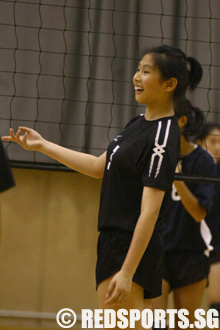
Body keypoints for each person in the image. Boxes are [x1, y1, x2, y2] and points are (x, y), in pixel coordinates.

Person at [2, 45, 203, 329]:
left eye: (146, 72)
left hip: (128, 247)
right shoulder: (138, 124)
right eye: (138, 69)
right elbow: (99, 167)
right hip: (113, 242)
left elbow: (149, 213)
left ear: (169, 84)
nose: (136, 77)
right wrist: (43, 145)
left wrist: (127, 272)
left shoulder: (161, 137)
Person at [151, 98, 217, 329]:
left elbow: (199, 214)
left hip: (191, 253)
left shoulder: (204, 161)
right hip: (158, 251)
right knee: (155, 324)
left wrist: (177, 180)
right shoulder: (156, 155)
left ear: (181, 122)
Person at [197, 123, 220, 325]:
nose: (218, 147)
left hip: (217, 245)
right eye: (213, 141)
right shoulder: (190, 168)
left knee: (216, 305)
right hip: (188, 246)